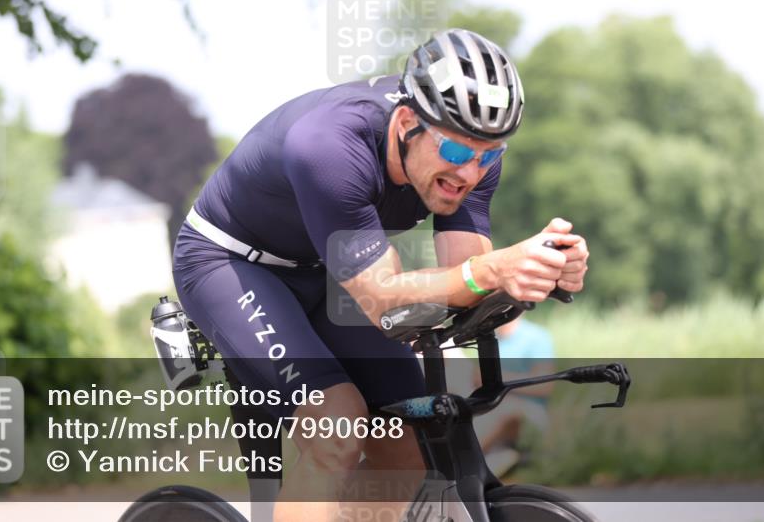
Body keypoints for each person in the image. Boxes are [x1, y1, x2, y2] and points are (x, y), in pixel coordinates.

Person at [172, 29, 590, 522]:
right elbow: (385, 300)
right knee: (337, 427)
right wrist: (492, 268)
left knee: (411, 443)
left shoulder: (472, 159)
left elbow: (465, 285)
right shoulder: (329, 147)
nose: (471, 173)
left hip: (325, 271)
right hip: (229, 264)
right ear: (408, 122)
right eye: (457, 153)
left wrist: (544, 267)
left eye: (489, 154)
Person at [473, 316, 556, 475]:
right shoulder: (485, 338)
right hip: (491, 410)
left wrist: (497, 380)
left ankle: (460, 463)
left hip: (527, 414)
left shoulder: (536, 337)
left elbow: (545, 385)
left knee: (507, 408)